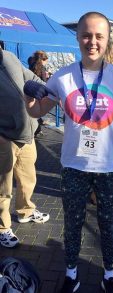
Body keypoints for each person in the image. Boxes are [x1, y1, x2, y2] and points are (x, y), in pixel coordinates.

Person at [23, 11, 113, 293]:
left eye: (99, 36)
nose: (92, 41)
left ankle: (109, 275)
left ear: (107, 39)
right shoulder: (62, 78)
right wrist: (29, 94)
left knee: (108, 226)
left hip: (109, 166)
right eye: (86, 35)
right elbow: (36, 111)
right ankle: (72, 275)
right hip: (73, 165)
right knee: (72, 225)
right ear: (77, 37)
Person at [0, 47, 50, 248]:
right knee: (3, 188)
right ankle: (3, 227)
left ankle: (25, 211)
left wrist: (43, 89)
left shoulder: (9, 57)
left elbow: (32, 79)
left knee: (28, 179)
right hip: (4, 137)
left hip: (27, 134)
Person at [28, 50, 50, 137]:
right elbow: (44, 81)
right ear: (42, 60)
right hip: (39, 91)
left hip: (31, 90)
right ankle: (37, 129)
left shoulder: (32, 65)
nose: (46, 63)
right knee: (37, 111)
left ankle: (38, 124)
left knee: (33, 111)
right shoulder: (42, 68)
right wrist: (47, 77)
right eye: (46, 61)